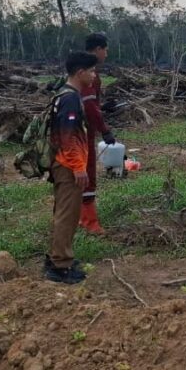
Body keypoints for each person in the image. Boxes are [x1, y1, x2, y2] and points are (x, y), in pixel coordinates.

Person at [44, 52, 98, 285]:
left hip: (63, 163)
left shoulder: (65, 95)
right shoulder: (70, 99)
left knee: (63, 213)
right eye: (92, 71)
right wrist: (78, 168)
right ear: (80, 73)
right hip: (67, 166)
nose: (94, 75)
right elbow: (67, 137)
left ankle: (58, 257)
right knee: (67, 215)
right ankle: (60, 266)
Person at [78, 32, 116, 234]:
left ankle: (80, 217)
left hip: (72, 131)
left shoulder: (77, 68)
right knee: (87, 173)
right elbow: (90, 107)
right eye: (106, 49)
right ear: (98, 49)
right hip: (82, 133)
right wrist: (105, 130)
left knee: (75, 174)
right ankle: (90, 223)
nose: (107, 54)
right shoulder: (90, 74)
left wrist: (104, 108)